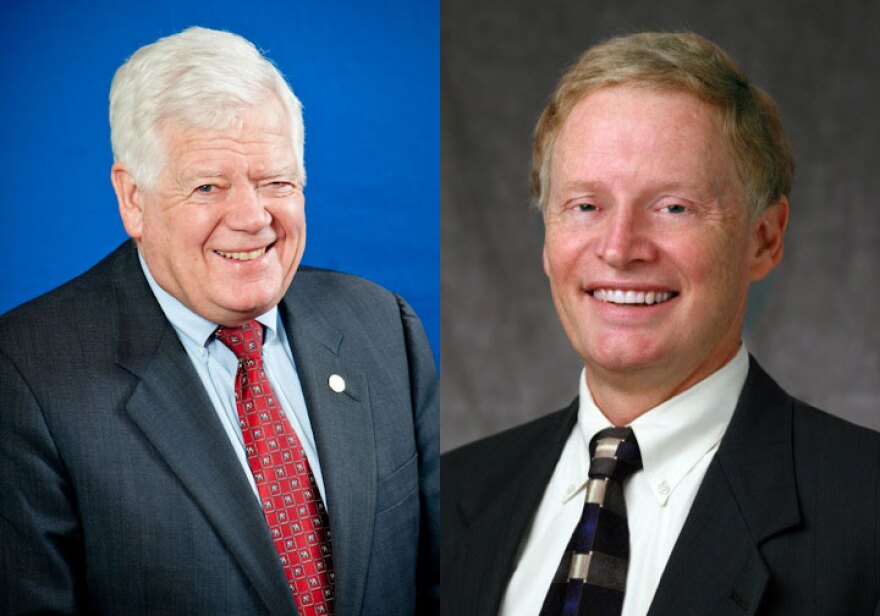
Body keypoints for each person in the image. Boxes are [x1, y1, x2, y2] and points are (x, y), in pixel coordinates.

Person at [0, 27, 438, 616]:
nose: (253, 218)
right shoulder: (27, 377)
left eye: (275, 182)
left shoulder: (383, 326)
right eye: (209, 187)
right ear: (133, 199)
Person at [441, 32, 879, 615]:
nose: (620, 249)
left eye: (673, 206)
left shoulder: (865, 508)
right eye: (587, 206)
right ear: (547, 235)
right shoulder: (450, 495)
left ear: (764, 239)